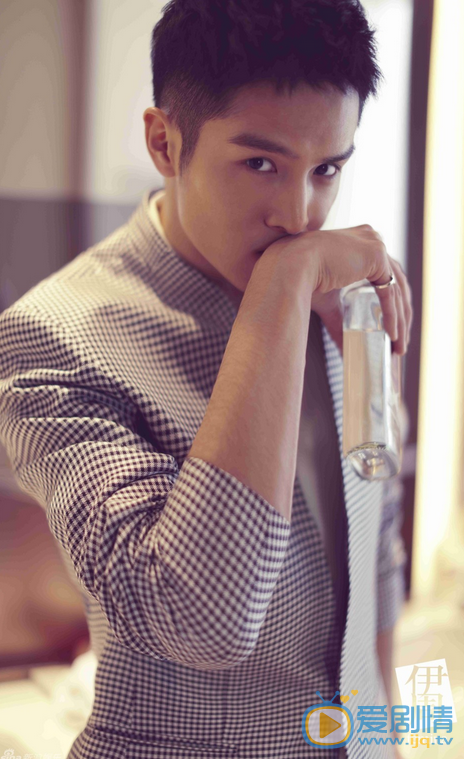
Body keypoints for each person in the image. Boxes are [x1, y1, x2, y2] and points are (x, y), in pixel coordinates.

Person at [0, 1, 413, 756]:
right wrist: (281, 292)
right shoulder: (53, 339)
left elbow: (377, 542)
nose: (299, 215)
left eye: (327, 170)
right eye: (260, 164)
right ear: (164, 141)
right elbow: (200, 620)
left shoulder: (349, 301)